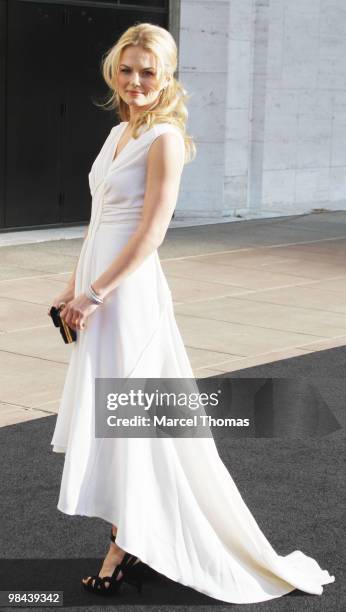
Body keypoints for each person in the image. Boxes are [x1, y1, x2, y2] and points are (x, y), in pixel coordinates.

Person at [49, 23, 335, 603]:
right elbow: (99, 220)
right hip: (98, 293)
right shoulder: (116, 135)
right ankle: (134, 533)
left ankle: (124, 547)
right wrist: (69, 287)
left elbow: (151, 233)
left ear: (167, 75)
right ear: (115, 71)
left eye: (147, 72)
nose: (135, 81)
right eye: (126, 70)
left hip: (127, 298)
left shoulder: (166, 140)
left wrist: (95, 294)